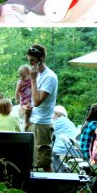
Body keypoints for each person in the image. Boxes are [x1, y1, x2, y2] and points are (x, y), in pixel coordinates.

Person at [26, 43, 58, 172]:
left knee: (45, 162)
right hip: (34, 121)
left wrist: (32, 80)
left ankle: (53, 191)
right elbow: (34, 100)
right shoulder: (37, 74)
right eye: (29, 60)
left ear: (42, 59)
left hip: (43, 124)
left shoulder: (50, 77)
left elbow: (38, 101)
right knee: (31, 160)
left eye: (33, 60)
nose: (30, 64)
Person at [51, 106, 78, 172]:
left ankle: (63, 169)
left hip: (70, 147)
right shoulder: (66, 121)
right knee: (51, 153)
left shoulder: (59, 121)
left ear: (57, 114)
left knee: (49, 153)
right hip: (74, 146)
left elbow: (48, 130)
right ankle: (64, 168)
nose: (51, 117)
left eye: (53, 114)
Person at [15, 64, 32, 131]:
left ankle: (26, 121)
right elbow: (17, 91)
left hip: (31, 98)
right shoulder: (20, 82)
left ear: (29, 74)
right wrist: (17, 99)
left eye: (24, 76)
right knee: (28, 107)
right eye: (20, 77)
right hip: (24, 99)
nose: (22, 78)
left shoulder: (31, 80)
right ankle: (26, 122)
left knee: (30, 106)